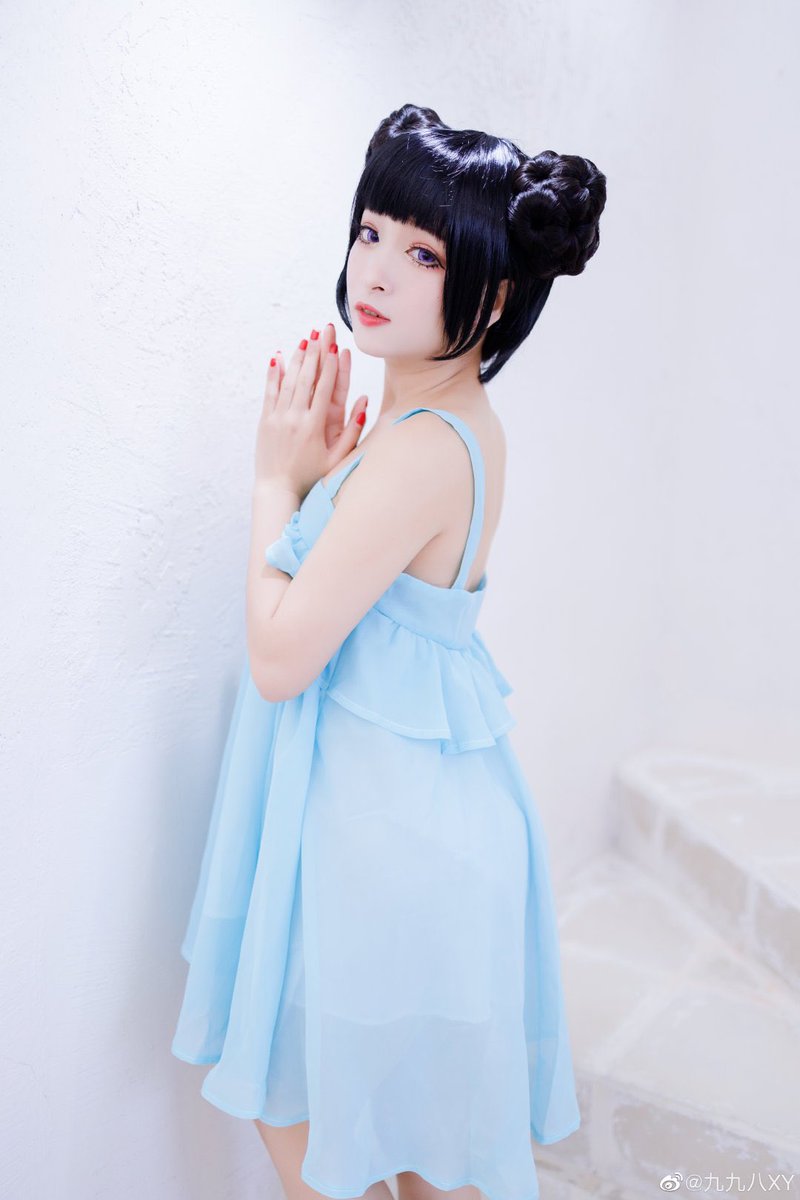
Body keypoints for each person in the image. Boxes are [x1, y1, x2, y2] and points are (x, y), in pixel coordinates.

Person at [171, 102, 607, 1200]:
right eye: (371, 231)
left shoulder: (419, 450)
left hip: (388, 853)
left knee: (326, 1144)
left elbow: (281, 658)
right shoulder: (446, 428)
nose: (376, 269)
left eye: (424, 254)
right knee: (396, 1153)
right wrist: (325, 487)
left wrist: (274, 483)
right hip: (406, 833)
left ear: (494, 295)